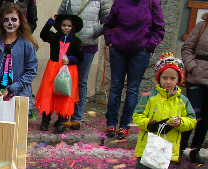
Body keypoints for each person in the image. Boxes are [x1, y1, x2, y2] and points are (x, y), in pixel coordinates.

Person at [125, 54, 197, 169]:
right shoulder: (149, 97)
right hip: (148, 149)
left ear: (179, 80)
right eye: (165, 78)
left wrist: (181, 122)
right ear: (159, 78)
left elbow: (192, 120)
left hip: (168, 150)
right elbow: (137, 116)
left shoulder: (182, 100)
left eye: (172, 78)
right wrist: (151, 124)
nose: (168, 81)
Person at [103, 0, 165, 140]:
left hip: (140, 53)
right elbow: (108, 24)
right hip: (118, 50)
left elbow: (159, 28)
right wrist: (110, 40)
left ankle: (125, 125)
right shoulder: (120, 2)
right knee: (115, 87)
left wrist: (149, 46)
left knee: (132, 89)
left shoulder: (152, 2)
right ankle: (111, 123)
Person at [57, 0, 110, 131]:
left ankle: (77, 117)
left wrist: (94, 31)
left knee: (82, 81)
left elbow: (108, 20)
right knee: (65, 79)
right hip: (69, 45)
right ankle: (64, 115)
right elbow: (60, 16)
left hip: (88, 45)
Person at [0, 4, 37, 107]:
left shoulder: (27, 44)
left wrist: (12, 89)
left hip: (19, 95)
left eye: (14, 19)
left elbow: (31, 71)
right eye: (6, 20)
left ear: (20, 21)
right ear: (1, 22)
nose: (10, 23)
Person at [36, 14, 82, 134]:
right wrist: (51, 21)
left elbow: (80, 57)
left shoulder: (76, 41)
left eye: (69, 26)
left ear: (73, 27)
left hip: (68, 70)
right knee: (49, 93)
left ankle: (61, 122)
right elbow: (43, 34)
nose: (66, 28)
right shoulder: (54, 37)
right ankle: (45, 120)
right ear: (60, 26)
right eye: (64, 25)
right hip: (53, 69)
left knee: (65, 95)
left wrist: (70, 59)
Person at [181, 14, 208, 164]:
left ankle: (195, 150)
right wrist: (192, 67)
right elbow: (187, 48)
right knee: (192, 114)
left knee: (206, 119)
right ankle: (180, 147)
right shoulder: (202, 26)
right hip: (196, 77)